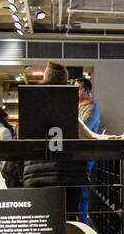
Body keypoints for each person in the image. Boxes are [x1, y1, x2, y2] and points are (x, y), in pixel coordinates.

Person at [22, 62, 118, 222]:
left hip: (36, 177)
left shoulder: (30, 108)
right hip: (68, 176)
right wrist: (112, 138)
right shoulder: (67, 110)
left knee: (40, 223)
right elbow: (88, 136)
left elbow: (22, 139)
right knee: (66, 223)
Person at [75, 78, 101, 222]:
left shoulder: (91, 107)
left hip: (86, 154)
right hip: (78, 154)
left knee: (83, 190)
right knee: (79, 189)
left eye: (78, 88)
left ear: (87, 91)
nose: (75, 91)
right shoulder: (78, 106)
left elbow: (80, 129)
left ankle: (83, 222)